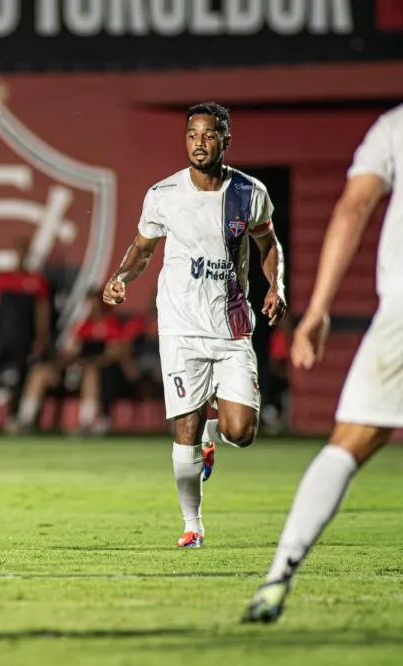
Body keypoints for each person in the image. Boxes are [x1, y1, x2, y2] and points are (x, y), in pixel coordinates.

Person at [243, 104, 403, 623]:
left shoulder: (394, 125)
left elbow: (354, 207)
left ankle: (278, 576)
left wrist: (317, 310)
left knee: (349, 444)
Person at [102, 102, 288, 548]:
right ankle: (193, 524)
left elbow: (268, 244)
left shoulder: (250, 192)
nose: (198, 143)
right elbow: (142, 248)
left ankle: (214, 433)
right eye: (191, 135)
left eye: (208, 135)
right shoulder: (163, 194)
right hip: (181, 327)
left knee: (240, 432)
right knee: (182, 424)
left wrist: (275, 286)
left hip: (232, 327)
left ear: (226, 140)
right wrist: (121, 277)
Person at [0, 237, 50, 434]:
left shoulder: (37, 281)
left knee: (21, 378)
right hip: (4, 337)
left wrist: (40, 337)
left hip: (25, 339)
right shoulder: (2, 279)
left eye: (25, 251)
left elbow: (42, 312)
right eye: (19, 251)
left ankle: (14, 418)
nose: (22, 255)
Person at [13, 287, 121, 434]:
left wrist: (91, 362)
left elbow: (113, 353)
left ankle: (86, 423)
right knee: (39, 372)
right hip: (75, 369)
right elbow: (71, 351)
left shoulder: (110, 324)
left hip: (98, 371)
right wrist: (61, 363)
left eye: (95, 301)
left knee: (90, 373)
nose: (92, 306)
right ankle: (25, 419)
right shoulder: (81, 326)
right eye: (89, 302)